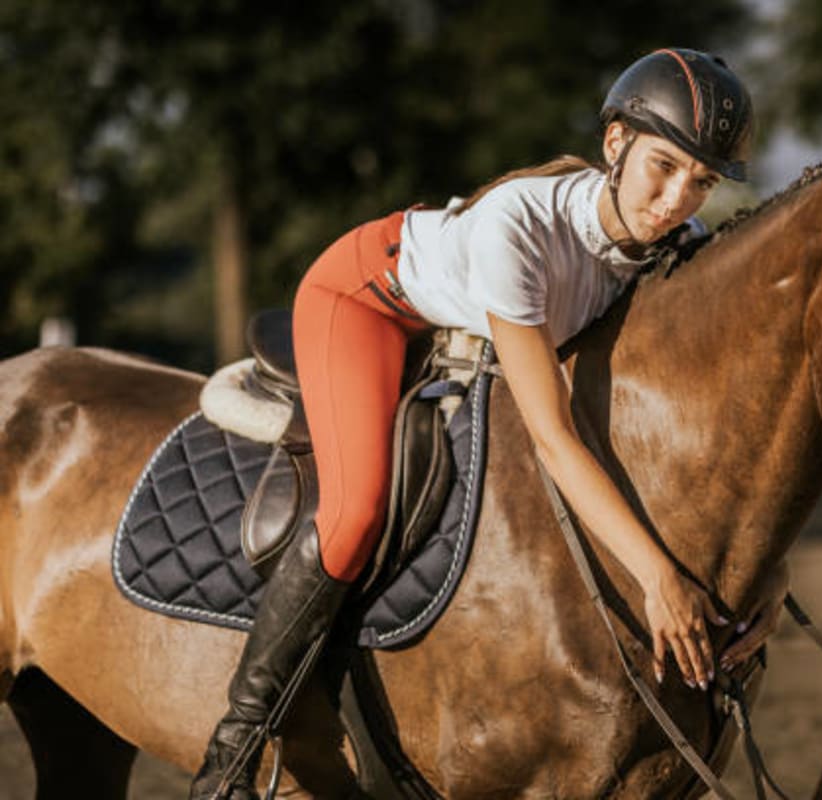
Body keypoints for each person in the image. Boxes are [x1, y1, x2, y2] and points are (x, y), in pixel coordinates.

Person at [191, 47, 768, 799]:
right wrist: (658, 580)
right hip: (367, 297)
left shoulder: (670, 251)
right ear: (616, 144)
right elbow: (554, 439)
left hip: (454, 311)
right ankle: (233, 756)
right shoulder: (518, 227)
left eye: (701, 182)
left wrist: (769, 579)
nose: (675, 201)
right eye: (663, 166)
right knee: (356, 509)